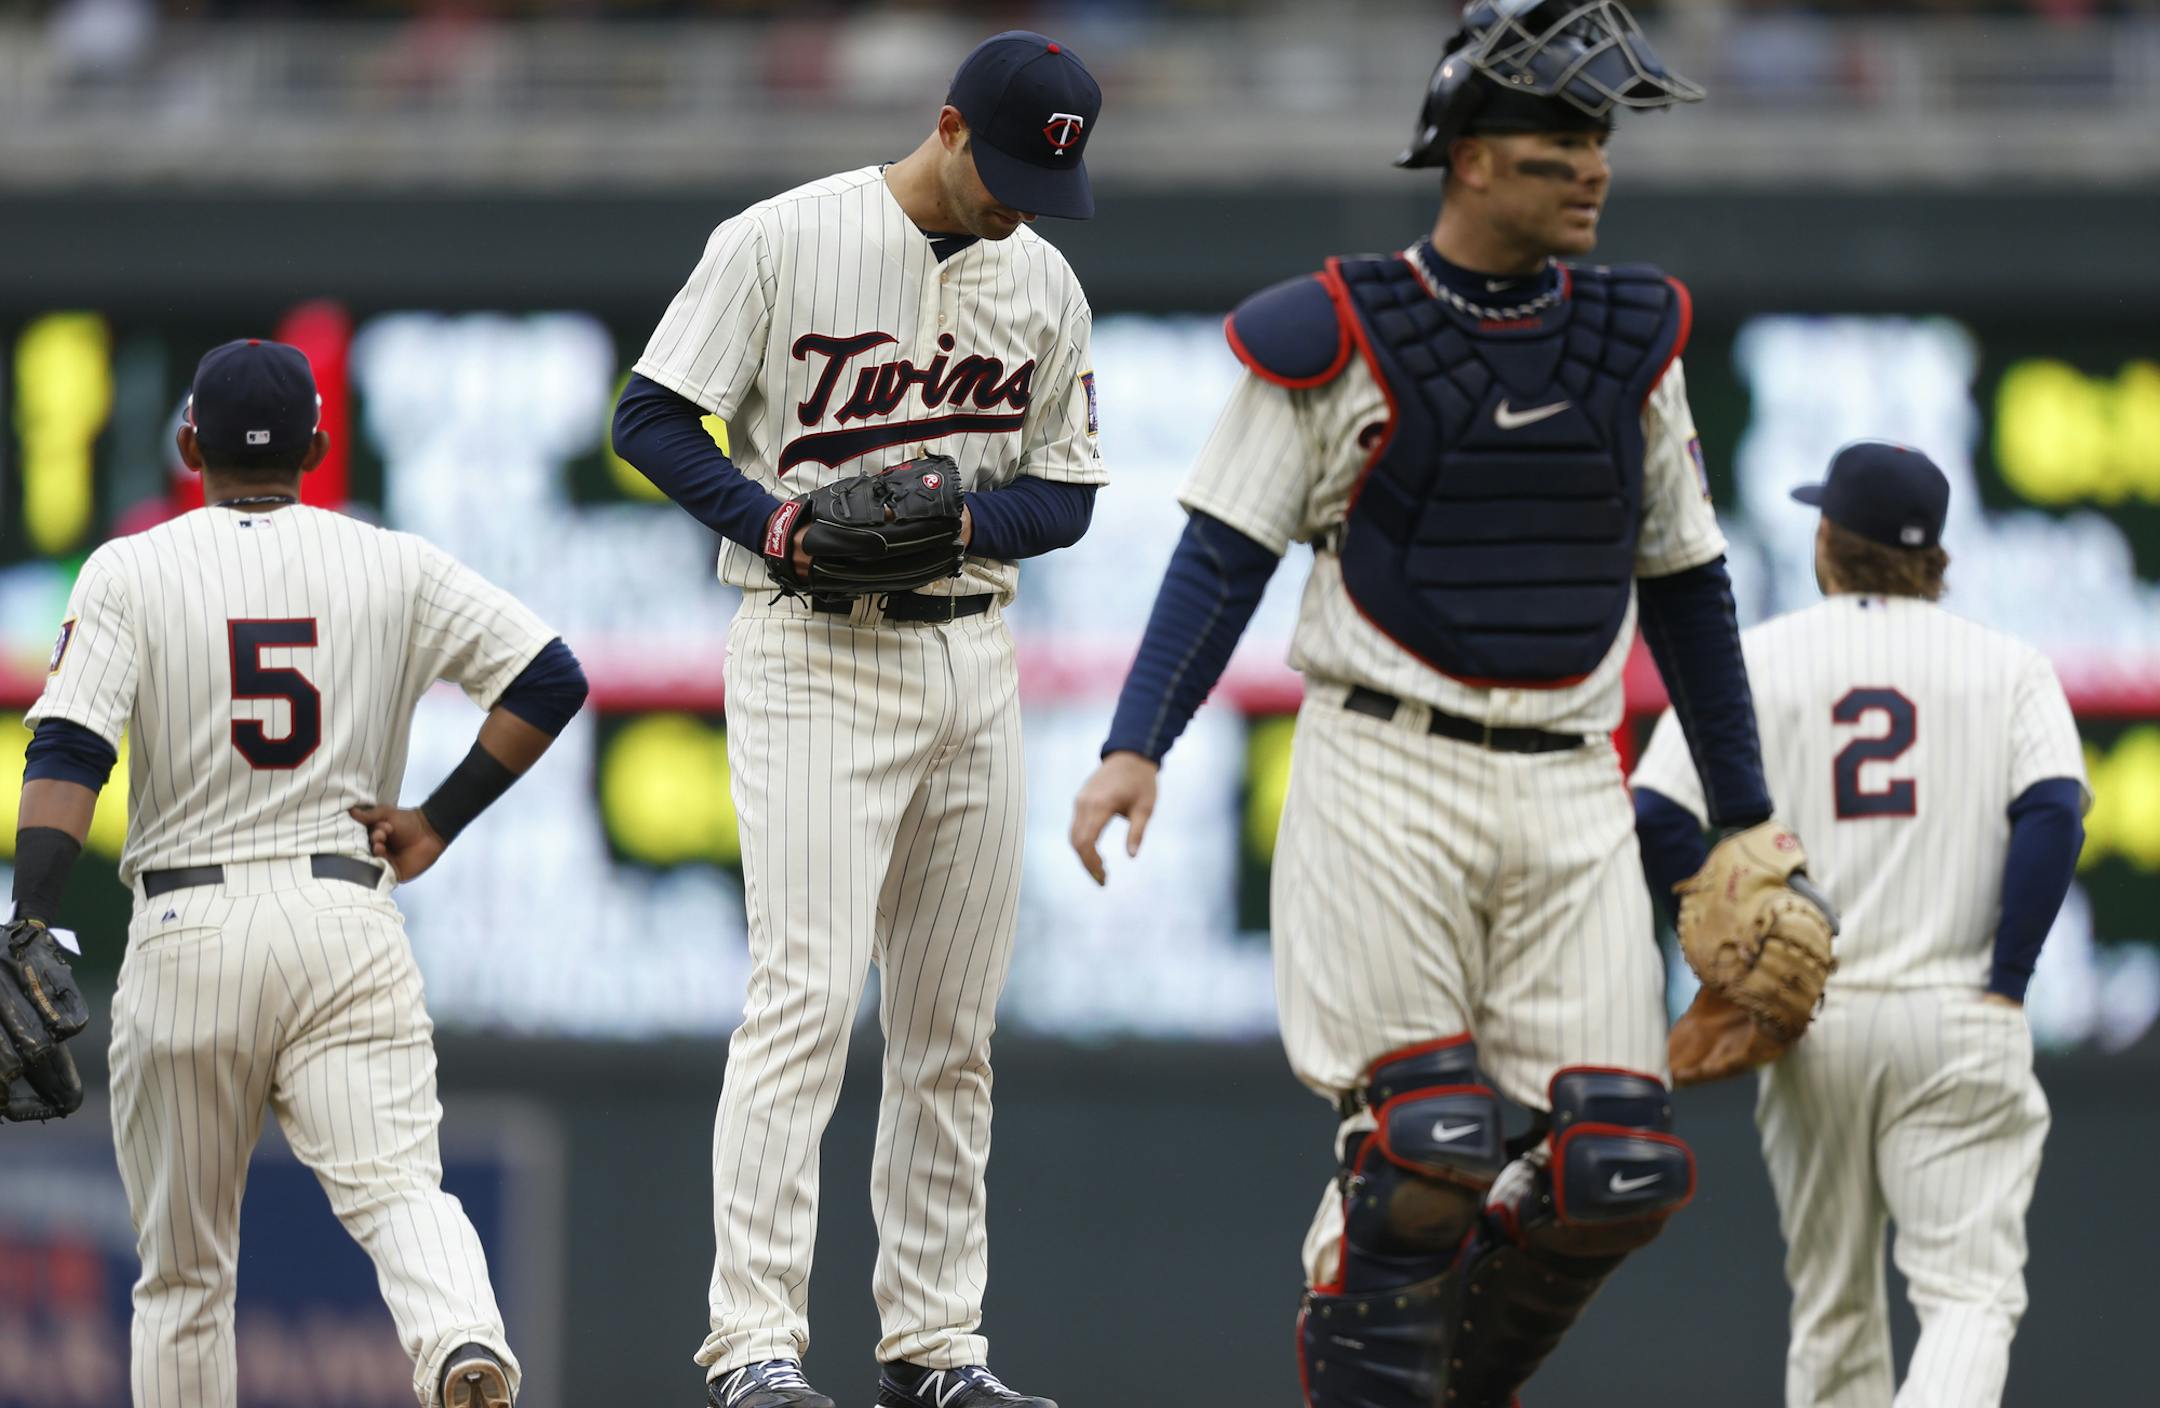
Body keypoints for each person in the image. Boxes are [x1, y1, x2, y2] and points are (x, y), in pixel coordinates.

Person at [1067, 5, 1829, 1404]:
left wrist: (1752, 821)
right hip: (1386, 769)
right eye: (1560, 141)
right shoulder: (1339, 330)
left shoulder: (1630, 339)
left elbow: (1691, 593)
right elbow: (1222, 552)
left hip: (1567, 783)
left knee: (1619, 1166)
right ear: (1470, 157)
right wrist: (1136, 743)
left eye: (1601, 141)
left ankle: (1431, 1377)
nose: (1593, 167)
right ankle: (1377, 1339)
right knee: (1426, 1144)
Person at [608, 30, 1106, 1408]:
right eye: (1001, 169)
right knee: (807, 1000)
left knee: (952, 1027)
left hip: (972, 659)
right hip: (814, 653)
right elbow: (650, 421)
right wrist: (769, 521)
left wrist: (958, 518)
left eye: (1039, 183)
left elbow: (1064, 495)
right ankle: (754, 1345)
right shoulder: (780, 239)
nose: (1015, 201)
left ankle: (937, 1347)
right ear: (947, 125)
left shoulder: (1045, 280)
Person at [5, 338, 588, 1408]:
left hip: (188, 928)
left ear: (191, 444)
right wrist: (435, 820)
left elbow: (70, 751)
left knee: (183, 1275)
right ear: (319, 448)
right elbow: (550, 677)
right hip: (343, 922)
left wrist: (30, 917)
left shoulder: (132, 566)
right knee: (401, 1190)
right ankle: (463, 1343)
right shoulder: (391, 561)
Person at [1631, 442, 2088, 1408]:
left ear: (1828, 539)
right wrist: (2008, 977)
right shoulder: (2007, 665)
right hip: (1959, 1012)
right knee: (1968, 1297)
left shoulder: (1759, 658)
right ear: (1937, 560)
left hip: (1811, 1023)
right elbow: (2054, 810)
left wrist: (1730, 928)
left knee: (1833, 1307)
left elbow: (1657, 813)